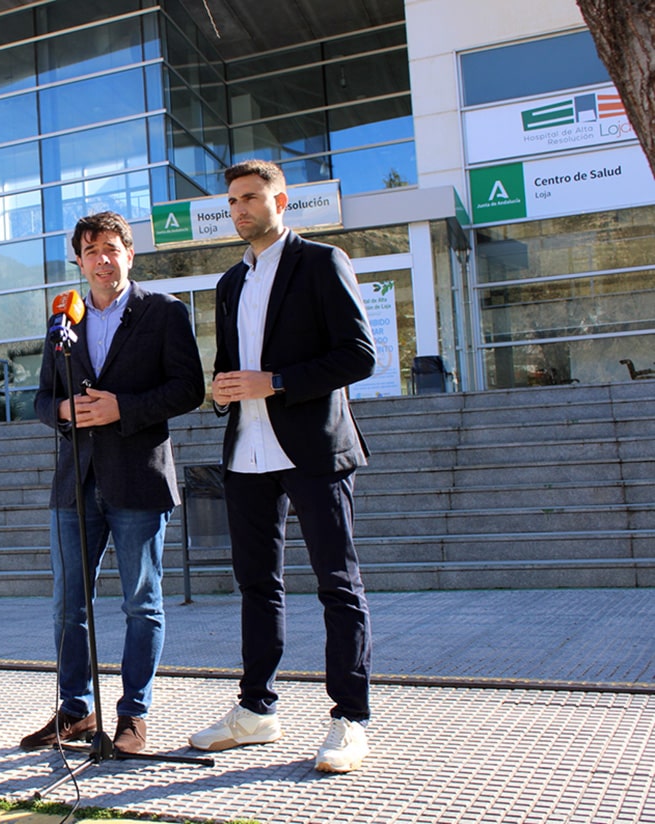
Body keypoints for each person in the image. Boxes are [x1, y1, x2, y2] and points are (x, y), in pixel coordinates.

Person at [187, 160, 377, 773]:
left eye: (250, 198)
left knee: (337, 584)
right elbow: (231, 365)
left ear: (281, 201)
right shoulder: (228, 283)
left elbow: (359, 355)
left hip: (314, 448)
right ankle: (257, 711)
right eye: (232, 201)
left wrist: (275, 382)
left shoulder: (322, 262)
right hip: (247, 453)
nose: (239, 210)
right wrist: (221, 391)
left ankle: (350, 720)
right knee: (256, 586)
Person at [22, 211, 205, 755]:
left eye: (111, 248)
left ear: (129, 253)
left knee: (141, 603)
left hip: (138, 479)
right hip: (74, 483)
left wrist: (119, 408)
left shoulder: (164, 313)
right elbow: (40, 400)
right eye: (90, 250)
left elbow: (188, 389)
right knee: (66, 604)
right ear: (78, 260)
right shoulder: (62, 321)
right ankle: (75, 711)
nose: (102, 259)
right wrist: (61, 409)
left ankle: (132, 716)